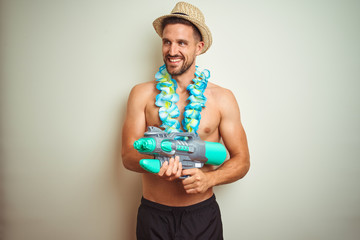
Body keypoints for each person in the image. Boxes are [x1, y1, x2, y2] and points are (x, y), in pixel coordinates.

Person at [121, 2, 250, 239]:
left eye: (182, 43)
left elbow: (242, 161)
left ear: (199, 47)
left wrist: (211, 178)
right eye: (167, 41)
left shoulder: (222, 98)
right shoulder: (140, 94)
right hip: (153, 215)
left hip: (202, 215)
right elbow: (128, 157)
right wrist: (159, 161)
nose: (172, 51)